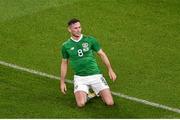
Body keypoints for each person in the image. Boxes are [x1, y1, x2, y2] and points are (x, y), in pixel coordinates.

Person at [60, 18, 117, 107]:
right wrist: (62, 82)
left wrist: (110, 69)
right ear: (69, 29)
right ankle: (90, 95)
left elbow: (102, 54)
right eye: (75, 28)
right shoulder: (65, 46)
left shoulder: (90, 40)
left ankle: (98, 93)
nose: (78, 30)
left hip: (96, 75)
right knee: (81, 104)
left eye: (79, 27)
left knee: (110, 103)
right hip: (80, 78)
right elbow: (64, 63)